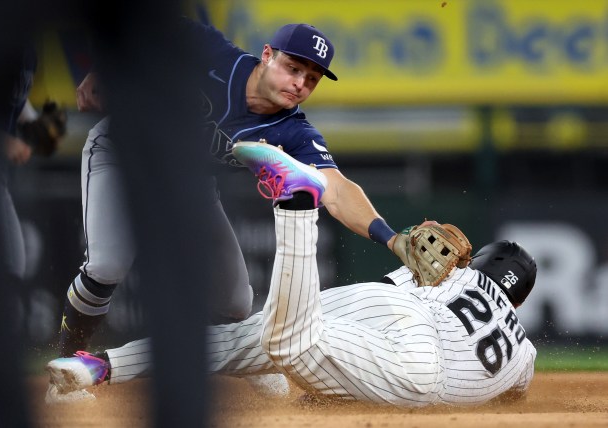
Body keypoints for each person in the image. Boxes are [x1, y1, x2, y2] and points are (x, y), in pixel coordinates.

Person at [46, 152, 537, 407]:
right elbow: (515, 391)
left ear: (480, 263)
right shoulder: (524, 352)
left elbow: (381, 298)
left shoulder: (455, 276)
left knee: (271, 336)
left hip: (406, 325)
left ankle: (98, 364)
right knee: (282, 340)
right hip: (418, 370)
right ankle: (295, 211)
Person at [55, 19, 412, 362]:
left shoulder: (293, 131)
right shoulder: (214, 54)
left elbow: (335, 190)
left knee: (236, 304)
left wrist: (391, 238)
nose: (300, 83)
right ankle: (68, 361)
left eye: (312, 78)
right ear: (268, 55)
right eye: (293, 67)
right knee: (106, 265)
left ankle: (200, 372)